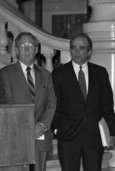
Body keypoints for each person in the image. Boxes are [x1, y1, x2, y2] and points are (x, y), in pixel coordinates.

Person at [52, 33, 115, 171]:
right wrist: (56, 128)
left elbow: (107, 105)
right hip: (67, 136)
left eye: (81, 48)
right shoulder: (59, 73)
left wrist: (112, 131)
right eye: (73, 48)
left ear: (89, 51)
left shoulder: (100, 72)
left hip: (93, 136)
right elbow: (54, 103)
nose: (76, 51)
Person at [0, 32, 56, 171]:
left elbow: (51, 103)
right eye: (22, 45)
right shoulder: (5, 73)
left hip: (40, 134)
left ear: (36, 50)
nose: (26, 49)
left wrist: (41, 125)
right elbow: (7, 104)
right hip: (16, 135)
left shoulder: (46, 74)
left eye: (30, 45)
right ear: (16, 50)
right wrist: (27, 128)